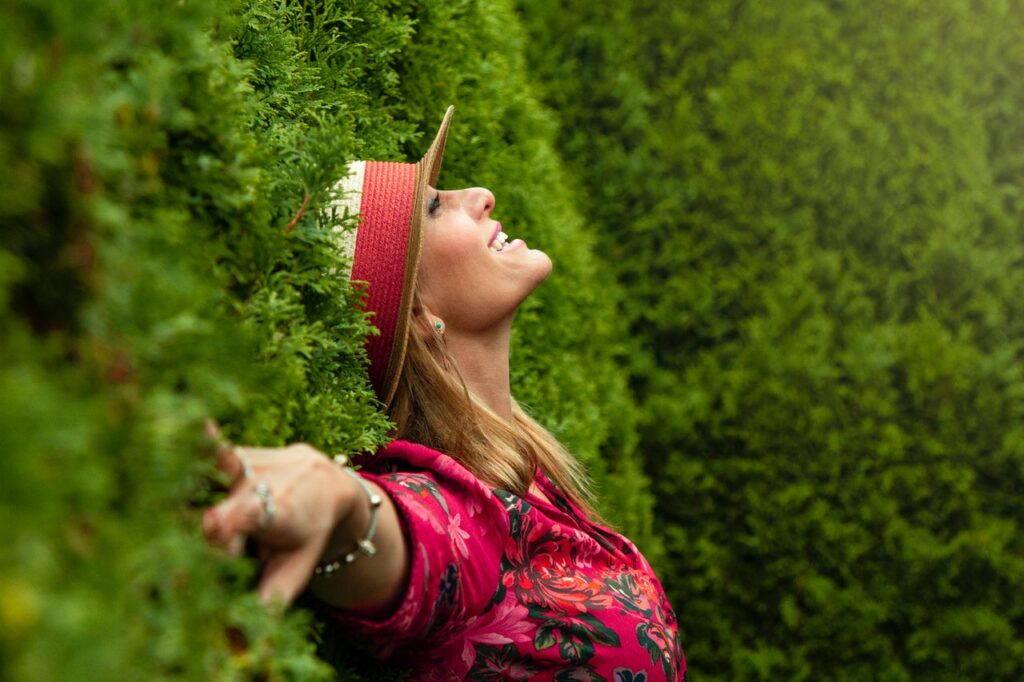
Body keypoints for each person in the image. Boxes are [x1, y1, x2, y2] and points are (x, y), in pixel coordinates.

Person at [201, 107, 687, 680]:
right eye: (435, 205)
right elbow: (411, 539)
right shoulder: (456, 514)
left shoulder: (527, 473)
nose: (481, 194)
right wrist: (340, 503)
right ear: (416, 314)